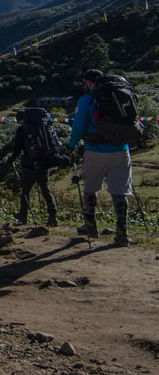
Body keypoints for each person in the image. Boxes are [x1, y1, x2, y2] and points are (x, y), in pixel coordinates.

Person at [68, 69, 133, 246]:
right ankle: (122, 233)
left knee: (91, 187)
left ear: (89, 83)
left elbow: (79, 127)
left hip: (95, 149)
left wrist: (71, 145)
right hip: (122, 149)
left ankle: (90, 225)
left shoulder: (87, 100)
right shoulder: (120, 95)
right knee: (120, 192)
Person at [6, 110, 59, 227]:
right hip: (43, 163)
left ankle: (23, 216)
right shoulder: (42, 127)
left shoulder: (22, 129)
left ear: (20, 120)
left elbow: (17, 149)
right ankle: (53, 216)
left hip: (29, 165)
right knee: (45, 189)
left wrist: (11, 159)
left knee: (25, 191)